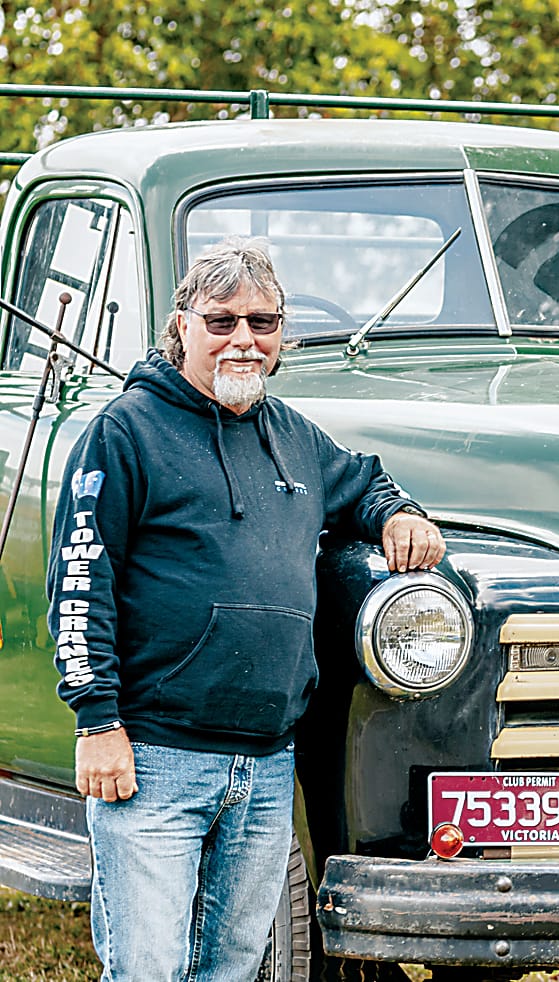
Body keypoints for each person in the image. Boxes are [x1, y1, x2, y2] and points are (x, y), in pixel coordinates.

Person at [47, 236, 445, 981]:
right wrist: (97, 721)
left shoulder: (293, 438)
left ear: (281, 333)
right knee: (147, 967)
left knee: (232, 969)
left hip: (264, 766)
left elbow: (364, 482)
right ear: (183, 327)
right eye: (222, 321)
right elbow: (78, 582)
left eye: (262, 323)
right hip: (154, 761)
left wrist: (399, 515)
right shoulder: (125, 432)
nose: (243, 340)